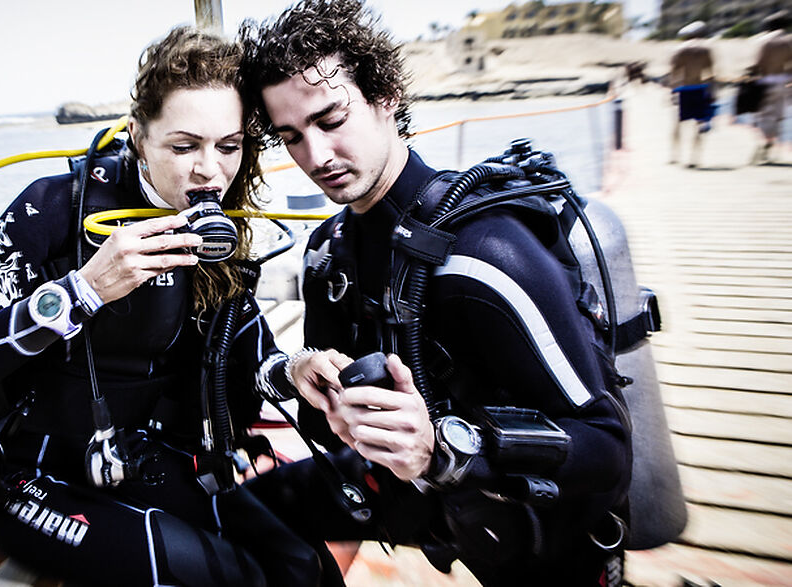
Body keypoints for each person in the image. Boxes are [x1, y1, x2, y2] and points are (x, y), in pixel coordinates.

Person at [239, 1, 632, 585]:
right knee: (230, 516)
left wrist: (443, 448)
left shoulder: (486, 253)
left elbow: (608, 452)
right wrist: (306, 375)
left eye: (331, 120)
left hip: (539, 529)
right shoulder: (327, 258)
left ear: (385, 97)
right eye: (292, 136)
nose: (315, 157)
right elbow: (328, 433)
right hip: (425, 502)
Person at [0, 26, 320, 586]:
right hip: (28, 475)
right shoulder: (53, 210)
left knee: (301, 566)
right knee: (220, 577)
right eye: (183, 147)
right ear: (137, 136)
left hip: (141, 459)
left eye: (228, 147)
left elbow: (253, 351)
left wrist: (299, 370)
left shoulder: (215, 227)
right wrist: (82, 292)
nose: (209, 171)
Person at [668, 21, 715, 167]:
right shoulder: (705, 49)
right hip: (700, 88)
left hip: (684, 89)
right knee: (699, 124)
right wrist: (713, 92)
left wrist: (672, 92)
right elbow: (710, 73)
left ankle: (675, 156)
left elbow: (674, 72)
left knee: (678, 124)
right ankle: (694, 158)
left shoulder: (681, 49)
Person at [752, 11, 791, 164]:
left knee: (764, 116)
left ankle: (767, 145)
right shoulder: (789, 40)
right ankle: (776, 148)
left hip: (766, 81)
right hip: (785, 81)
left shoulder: (764, 40)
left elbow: (758, 64)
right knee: (779, 116)